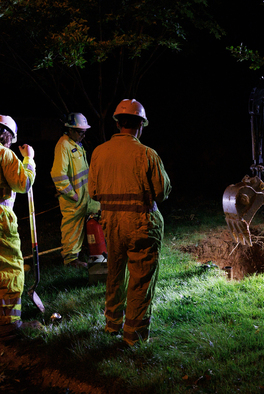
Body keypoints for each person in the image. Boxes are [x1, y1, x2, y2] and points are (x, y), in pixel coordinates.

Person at [88, 99, 171, 346]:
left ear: (118, 123)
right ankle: (133, 334)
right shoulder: (147, 154)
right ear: (140, 125)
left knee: (114, 272)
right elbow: (162, 192)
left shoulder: (99, 152)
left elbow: (93, 192)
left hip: (111, 224)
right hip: (141, 222)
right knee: (141, 278)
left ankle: (112, 324)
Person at [0, 115, 42, 341]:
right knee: (9, 269)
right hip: (0, 220)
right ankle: (8, 326)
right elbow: (23, 183)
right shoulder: (4, 154)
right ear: (7, 135)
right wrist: (28, 159)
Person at [51, 113, 100, 269]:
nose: (83, 134)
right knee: (72, 229)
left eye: (84, 131)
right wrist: (72, 194)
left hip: (85, 197)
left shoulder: (75, 144)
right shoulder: (63, 145)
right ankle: (71, 260)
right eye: (80, 131)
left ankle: (97, 250)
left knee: (99, 216)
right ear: (69, 130)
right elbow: (58, 174)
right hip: (73, 199)